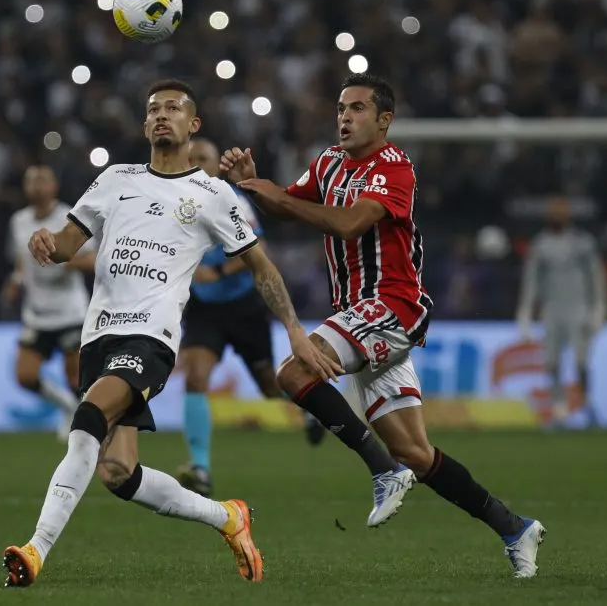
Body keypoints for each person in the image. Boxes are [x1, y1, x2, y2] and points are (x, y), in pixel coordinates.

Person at [2, 79, 345, 588]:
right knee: (118, 473)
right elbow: (69, 245)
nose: (162, 115)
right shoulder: (115, 179)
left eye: (174, 108)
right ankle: (227, 517)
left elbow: (262, 266)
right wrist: (46, 242)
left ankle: (36, 550)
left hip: (150, 339)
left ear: (193, 124)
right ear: (145, 125)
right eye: (154, 109)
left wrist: (295, 331)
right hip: (99, 337)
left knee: (88, 419)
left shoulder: (212, 194)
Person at [220, 73, 547, 578]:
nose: (345, 117)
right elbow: (286, 207)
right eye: (340, 108)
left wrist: (275, 197)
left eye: (357, 108)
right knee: (415, 451)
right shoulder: (329, 162)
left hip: (392, 305)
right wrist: (254, 185)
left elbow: (349, 222)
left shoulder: (394, 166)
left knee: (293, 372)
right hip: (356, 313)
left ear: (384, 120)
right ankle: (514, 527)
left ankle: (382, 471)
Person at [176, 138, 322, 498]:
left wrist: (217, 273)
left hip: (244, 306)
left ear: (216, 166)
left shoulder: (232, 201)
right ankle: (200, 467)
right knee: (195, 377)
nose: (195, 163)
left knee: (270, 387)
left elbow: (259, 251)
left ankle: (312, 411)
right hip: (204, 310)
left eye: (202, 158)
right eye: (190, 158)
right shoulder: (174, 204)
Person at [5, 165, 94, 440]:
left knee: (75, 378)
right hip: (37, 314)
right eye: (30, 180)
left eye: (42, 180)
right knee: (25, 376)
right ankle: (68, 407)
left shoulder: (70, 218)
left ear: (54, 186)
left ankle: (86, 427)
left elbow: (93, 259)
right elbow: (22, 257)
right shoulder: (18, 220)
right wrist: (16, 279)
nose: (36, 185)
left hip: (70, 312)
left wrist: (63, 259)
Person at [516, 196, 607, 427]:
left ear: (568, 215)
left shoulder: (583, 243)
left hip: (579, 308)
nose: (557, 216)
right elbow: (531, 281)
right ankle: (558, 407)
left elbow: (596, 277)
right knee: (552, 361)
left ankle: (585, 400)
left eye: (561, 212)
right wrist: (525, 311)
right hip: (552, 309)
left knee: (580, 361)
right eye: (553, 213)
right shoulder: (540, 245)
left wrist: (599, 307)